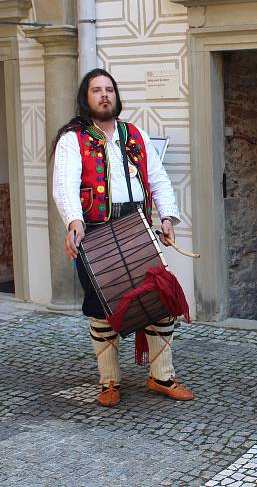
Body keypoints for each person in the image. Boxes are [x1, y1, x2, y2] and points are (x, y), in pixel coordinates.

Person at [52, 68, 192, 407]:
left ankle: (162, 376)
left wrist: (168, 217)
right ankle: (109, 382)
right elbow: (64, 184)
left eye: (109, 90)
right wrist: (74, 221)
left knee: (158, 300)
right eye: (96, 90)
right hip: (96, 232)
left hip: (136, 227)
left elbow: (157, 179)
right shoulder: (73, 139)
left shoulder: (135, 134)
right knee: (103, 309)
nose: (104, 95)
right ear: (86, 99)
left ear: (116, 96)